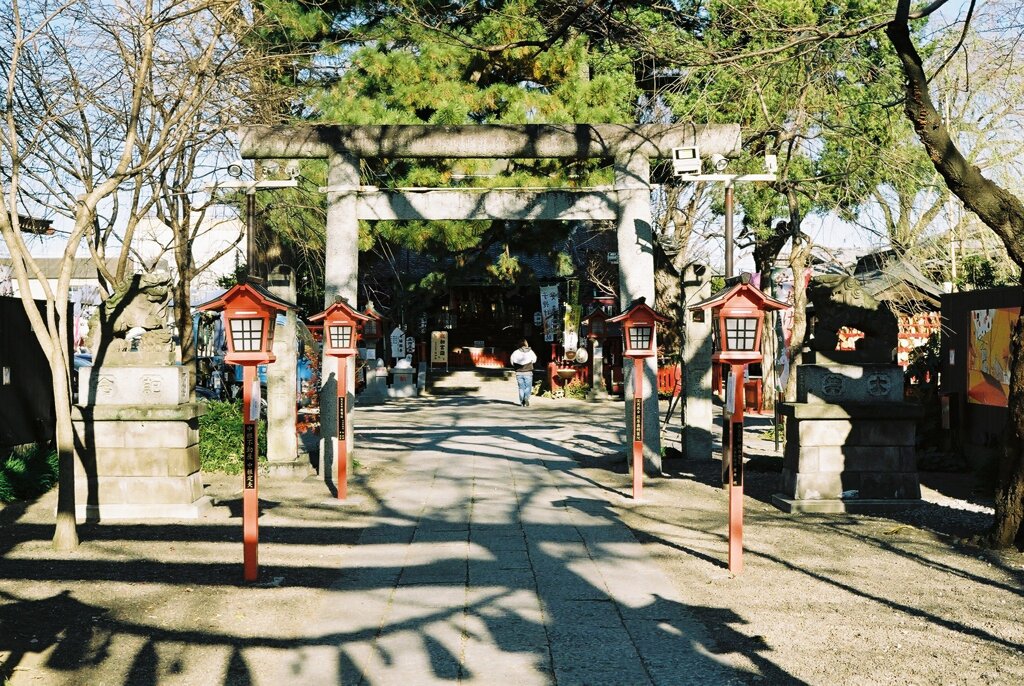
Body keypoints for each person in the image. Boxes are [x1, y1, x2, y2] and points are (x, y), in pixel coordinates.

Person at [510, 339, 537, 406]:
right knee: (528, 387)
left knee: (521, 387)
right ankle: (526, 398)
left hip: (519, 372)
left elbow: (512, 361)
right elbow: (534, 360)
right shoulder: (530, 352)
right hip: (528, 372)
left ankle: (522, 401)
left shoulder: (515, 352)